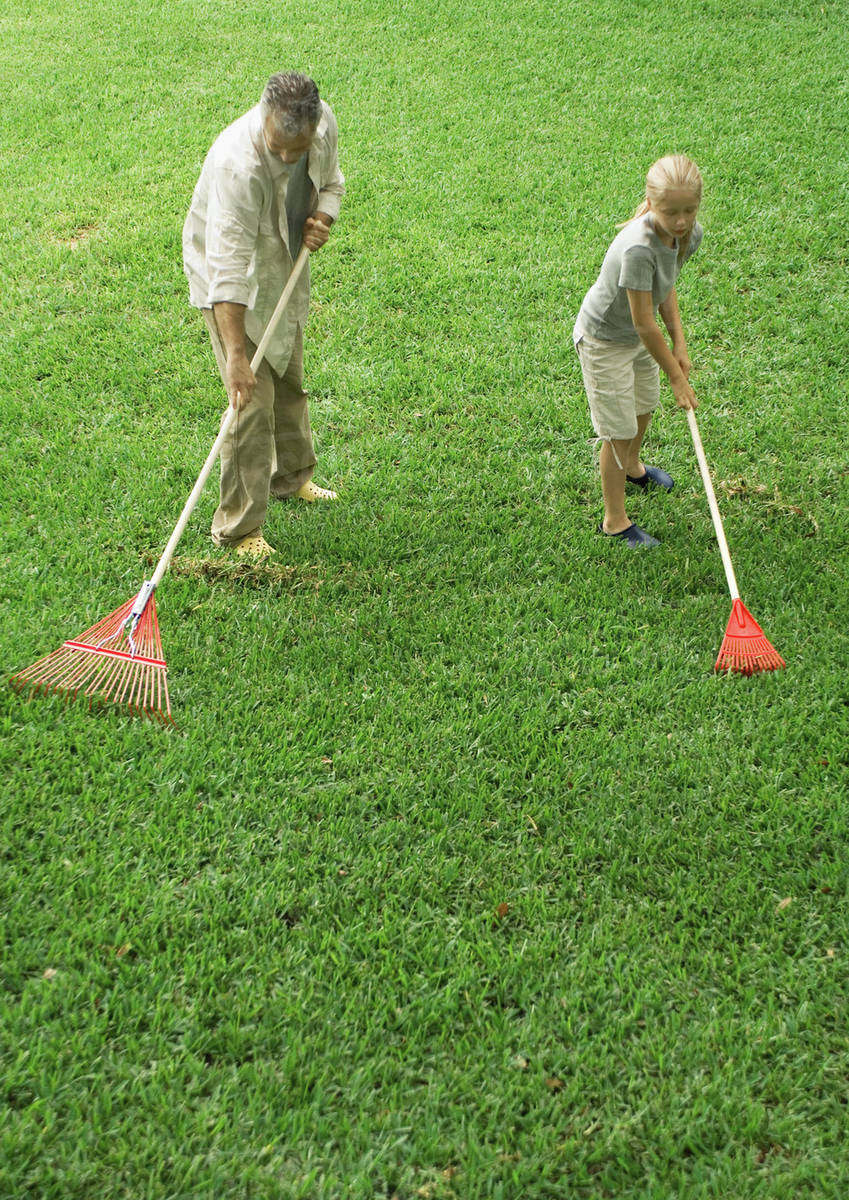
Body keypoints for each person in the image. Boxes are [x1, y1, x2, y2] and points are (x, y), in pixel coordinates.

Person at [183, 71, 345, 559]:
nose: (288, 159)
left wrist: (323, 217)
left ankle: (291, 477)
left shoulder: (322, 124)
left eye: (297, 151)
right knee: (251, 403)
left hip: (282, 268)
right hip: (227, 281)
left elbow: (333, 183)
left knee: (289, 378)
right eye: (279, 149)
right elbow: (227, 272)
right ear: (264, 118)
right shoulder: (239, 165)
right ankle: (237, 528)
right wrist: (235, 355)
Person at [573, 155, 703, 547]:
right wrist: (677, 376)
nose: (681, 221)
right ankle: (614, 520)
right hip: (606, 339)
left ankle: (633, 467)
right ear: (649, 203)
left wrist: (679, 341)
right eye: (670, 212)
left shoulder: (688, 235)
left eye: (689, 210)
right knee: (618, 430)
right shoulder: (637, 249)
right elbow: (644, 322)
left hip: (637, 337)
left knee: (644, 404)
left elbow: (665, 286)